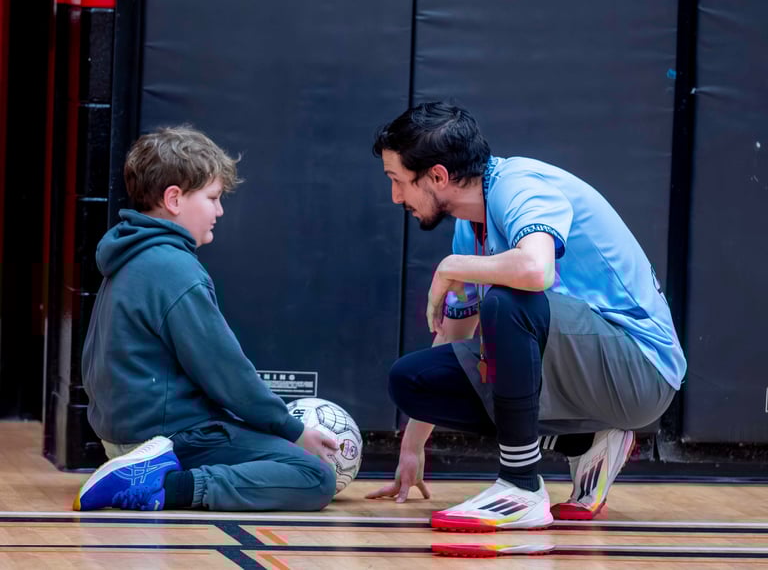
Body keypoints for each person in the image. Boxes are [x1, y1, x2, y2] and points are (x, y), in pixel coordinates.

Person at [365, 102, 686, 531]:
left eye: (398, 181)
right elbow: (454, 337)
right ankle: (584, 440)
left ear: (438, 176)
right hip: (583, 372)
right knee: (414, 380)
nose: (395, 196)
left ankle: (520, 486)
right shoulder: (468, 225)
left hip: (641, 371)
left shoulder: (520, 186)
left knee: (507, 301)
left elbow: (536, 271)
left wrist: (450, 267)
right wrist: (413, 445)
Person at [73, 126, 337, 512]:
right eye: (213, 198)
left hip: (126, 435)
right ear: (174, 199)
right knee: (315, 476)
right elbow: (228, 375)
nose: (220, 211)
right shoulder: (174, 267)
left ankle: (142, 476)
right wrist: (293, 431)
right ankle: (167, 486)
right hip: (166, 439)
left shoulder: (129, 255)